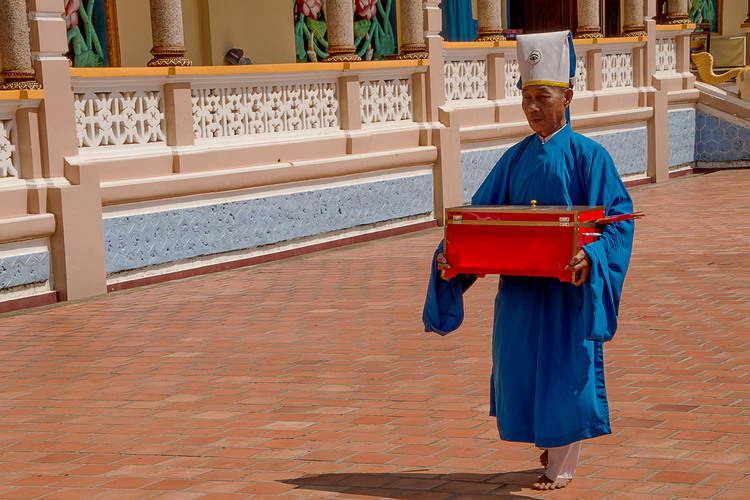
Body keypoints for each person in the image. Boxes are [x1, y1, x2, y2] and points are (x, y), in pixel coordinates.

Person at [423, 31, 635, 490]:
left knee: (563, 369)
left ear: (568, 98)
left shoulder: (590, 158)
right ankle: (547, 444)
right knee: (521, 369)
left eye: (543, 97)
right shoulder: (514, 159)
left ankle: (561, 465)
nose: (533, 108)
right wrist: (451, 259)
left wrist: (591, 256)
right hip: (520, 292)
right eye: (527, 98)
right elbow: (480, 219)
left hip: (566, 295)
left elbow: (618, 223)